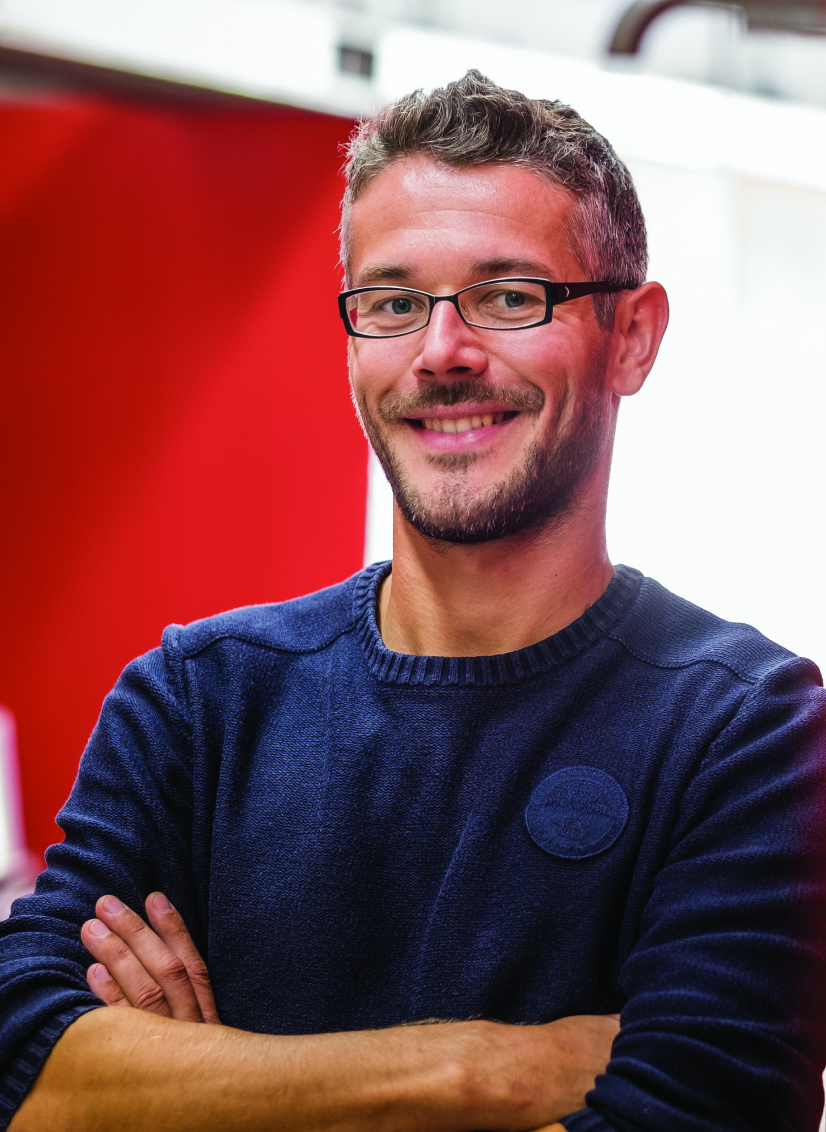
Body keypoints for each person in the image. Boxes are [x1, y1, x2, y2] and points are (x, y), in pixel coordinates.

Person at [1, 70, 825, 1132]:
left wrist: (199, 1091)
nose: (441, 353)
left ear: (630, 336)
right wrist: (487, 1072)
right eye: (393, 302)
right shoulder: (196, 705)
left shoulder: (749, 734)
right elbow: (26, 1071)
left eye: (508, 295)